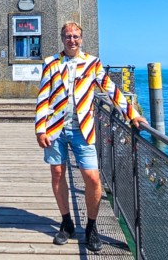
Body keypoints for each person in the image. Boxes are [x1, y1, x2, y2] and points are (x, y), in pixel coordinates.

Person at [35, 21, 148, 251]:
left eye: (76, 36)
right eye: (68, 36)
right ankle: (66, 224)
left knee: (93, 178)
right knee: (58, 174)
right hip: (55, 127)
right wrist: (40, 128)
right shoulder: (50, 63)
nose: (72, 40)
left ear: (81, 39)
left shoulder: (92, 62)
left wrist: (132, 115)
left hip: (83, 128)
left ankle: (92, 227)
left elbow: (111, 90)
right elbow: (43, 96)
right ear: (62, 38)